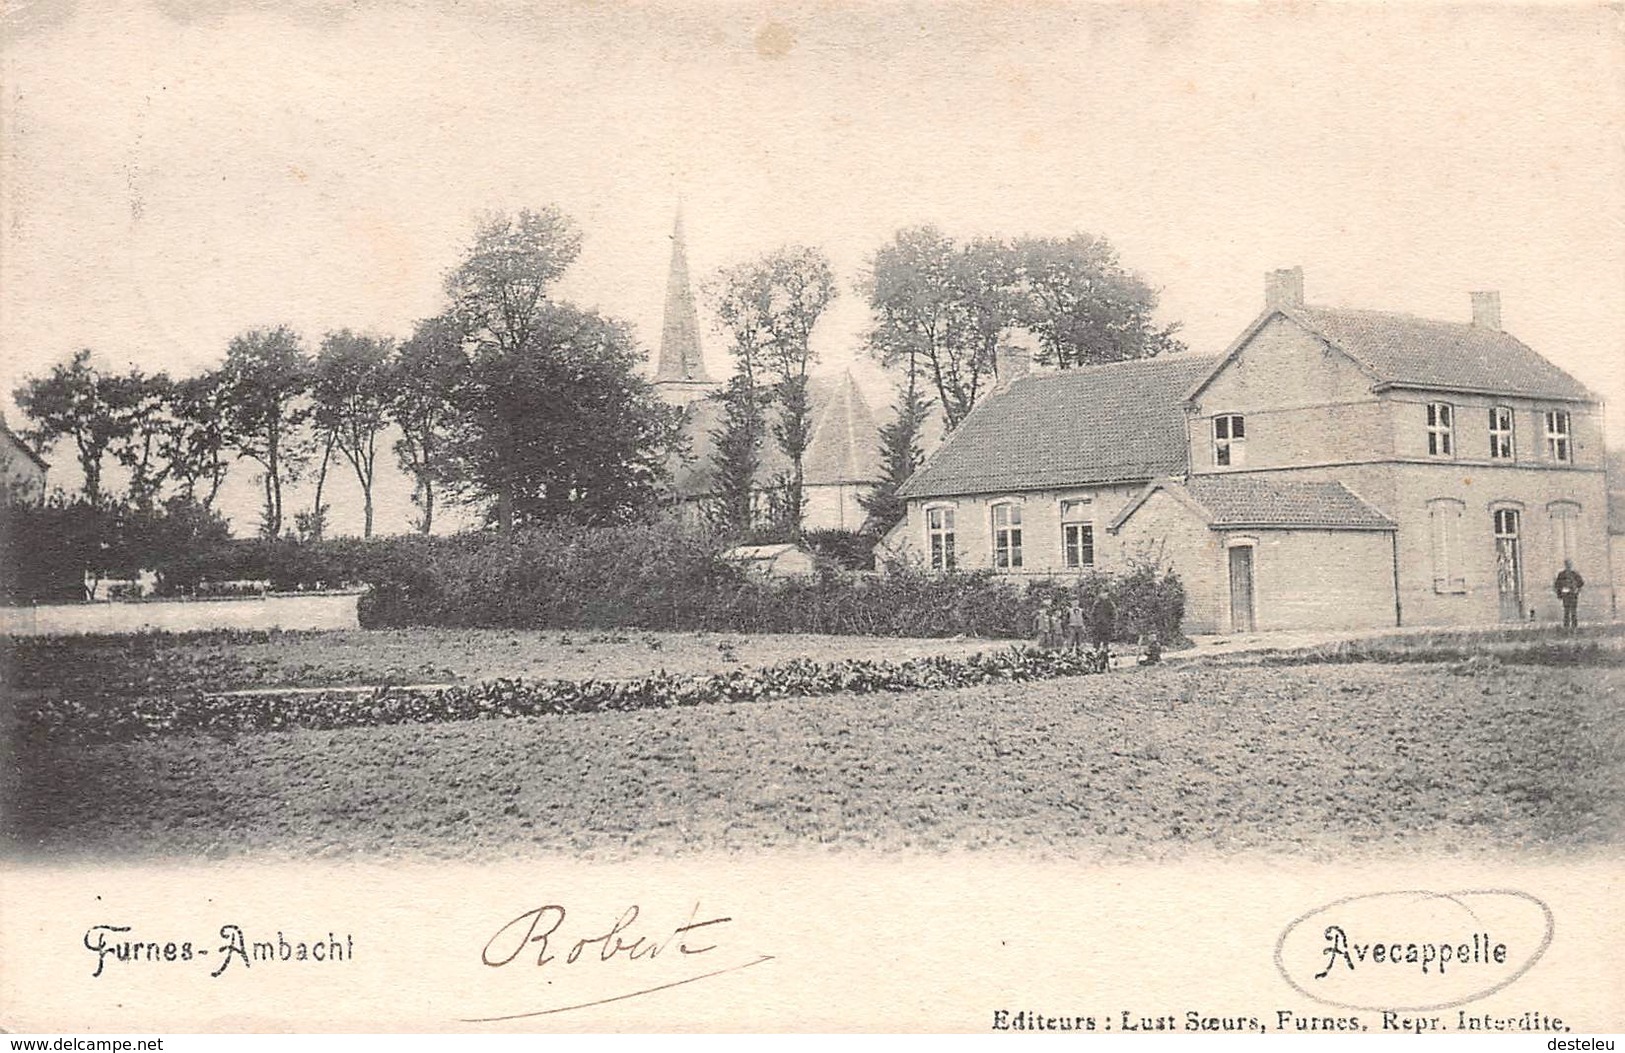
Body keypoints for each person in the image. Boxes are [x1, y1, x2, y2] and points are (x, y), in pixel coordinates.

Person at [1554, 560, 1585, 630]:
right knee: (1566, 610)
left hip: (1573, 594)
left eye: (1569, 565)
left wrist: (1577, 589)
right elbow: (1557, 584)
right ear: (1565, 565)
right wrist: (1559, 594)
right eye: (1567, 565)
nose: (1568, 566)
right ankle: (1566, 625)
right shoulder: (1561, 574)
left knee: (1573, 610)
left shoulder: (1574, 574)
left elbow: (1581, 583)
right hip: (1565, 594)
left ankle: (1574, 625)